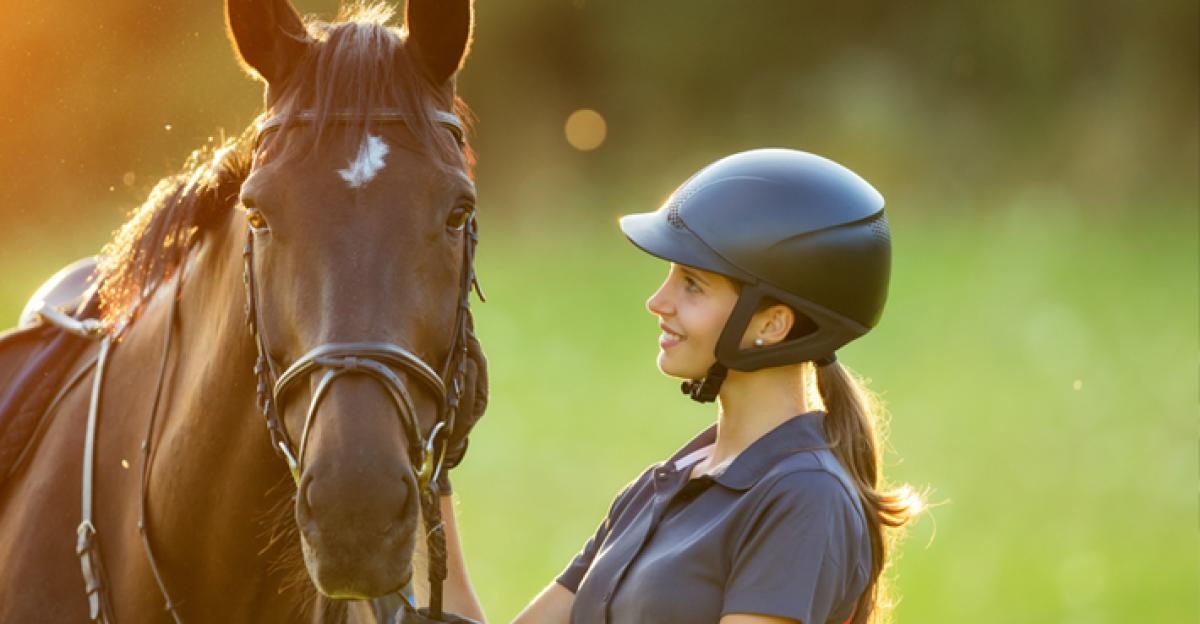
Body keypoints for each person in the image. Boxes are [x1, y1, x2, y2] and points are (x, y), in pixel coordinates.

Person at [433, 148, 921, 624]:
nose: (657, 301)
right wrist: (431, 473)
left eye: (692, 284)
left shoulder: (805, 499)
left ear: (772, 324)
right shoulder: (667, 483)